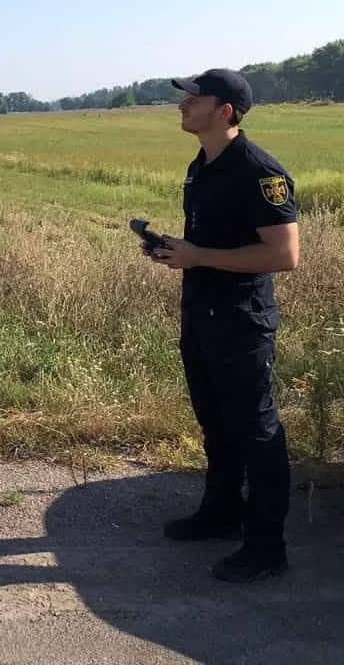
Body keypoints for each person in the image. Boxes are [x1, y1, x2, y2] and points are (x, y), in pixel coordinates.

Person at [147, 68, 299, 583]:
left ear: (225, 111)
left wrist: (198, 255)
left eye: (195, 98)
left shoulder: (259, 171)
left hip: (241, 322)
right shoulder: (202, 166)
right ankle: (221, 513)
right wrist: (179, 253)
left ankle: (266, 546)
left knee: (258, 432)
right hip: (202, 315)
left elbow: (284, 255)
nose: (183, 105)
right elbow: (209, 248)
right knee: (216, 425)